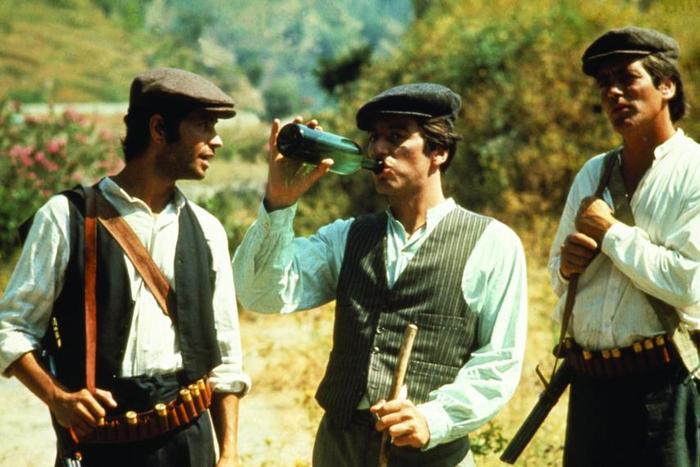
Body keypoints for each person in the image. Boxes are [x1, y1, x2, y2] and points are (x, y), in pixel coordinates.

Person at [232, 83, 527, 466]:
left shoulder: (492, 243)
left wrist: (432, 419)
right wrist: (279, 204)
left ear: (439, 151)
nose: (378, 150)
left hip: (429, 452)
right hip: (340, 449)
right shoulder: (348, 237)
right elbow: (261, 293)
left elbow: (499, 361)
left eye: (396, 137)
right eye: (374, 138)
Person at [0, 68, 251, 466]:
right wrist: (58, 399)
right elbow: (11, 328)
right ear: (158, 129)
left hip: (191, 443)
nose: (216, 141)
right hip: (101, 447)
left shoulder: (208, 231)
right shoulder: (66, 217)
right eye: (204, 126)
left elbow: (225, 357)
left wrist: (231, 453)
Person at [549, 26, 700, 466]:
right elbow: (556, 276)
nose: (613, 92)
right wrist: (565, 267)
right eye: (604, 84)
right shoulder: (592, 173)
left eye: (626, 78)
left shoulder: (694, 171)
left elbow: (687, 282)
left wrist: (611, 234)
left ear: (666, 85)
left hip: (665, 386)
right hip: (592, 384)